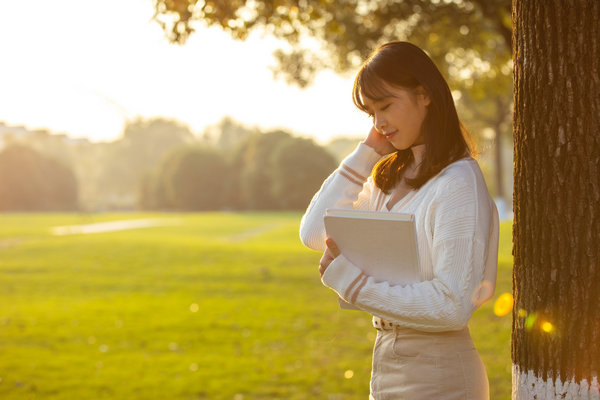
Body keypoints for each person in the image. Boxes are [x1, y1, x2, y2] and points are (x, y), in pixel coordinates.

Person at [299, 41, 499, 400]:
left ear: (424, 95)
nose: (379, 122)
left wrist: (354, 285)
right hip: (387, 362)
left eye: (386, 105)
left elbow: (452, 306)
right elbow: (314, 232)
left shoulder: (458, 183)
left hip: (442, 377)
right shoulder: (386, 178)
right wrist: (368, 152)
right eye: (370, 113)